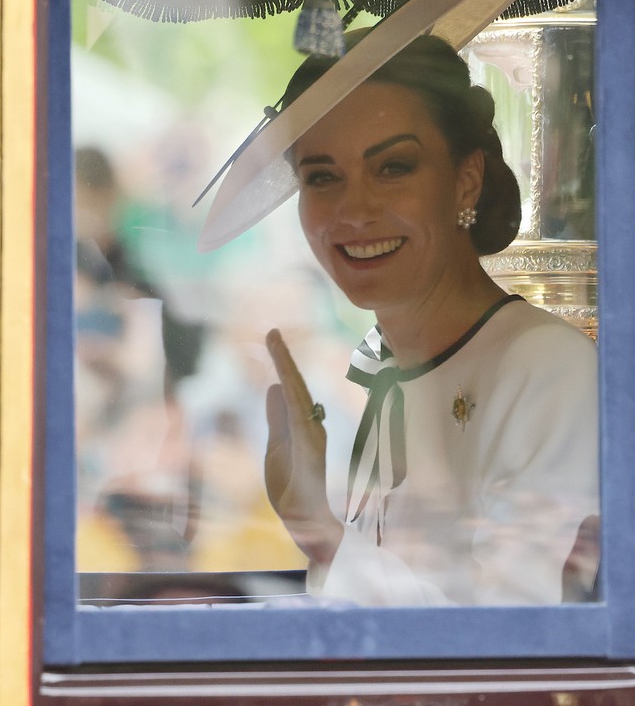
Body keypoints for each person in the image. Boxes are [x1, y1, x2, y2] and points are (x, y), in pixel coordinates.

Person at [208, 30, 599, 606]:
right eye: (322, 176)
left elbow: (510, 637)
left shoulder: (547, 367)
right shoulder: (386, 368)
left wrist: (321, 533)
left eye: (393, 168)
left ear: (465, 180)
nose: (354, 210)